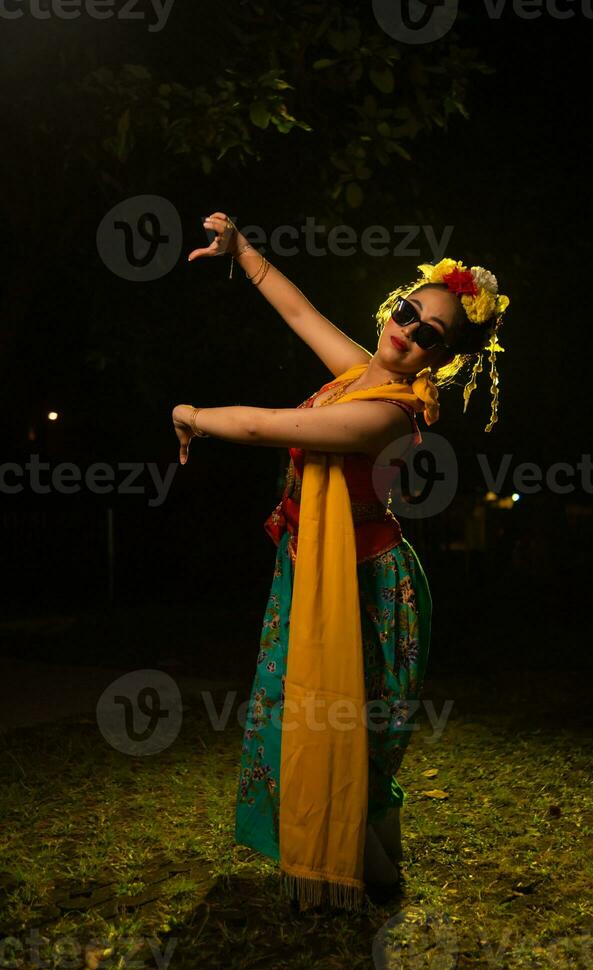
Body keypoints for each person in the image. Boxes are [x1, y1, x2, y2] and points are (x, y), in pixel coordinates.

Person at [173, 212, 510, 912]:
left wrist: (193, 416)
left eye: (429, 335)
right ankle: (376, 866)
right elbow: (300, 310)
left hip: (361, 581)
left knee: (339, 730)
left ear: (441, 357)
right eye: (410, 313)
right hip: (317, 568)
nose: (409, 331)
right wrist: (242, 250)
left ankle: (371, 873)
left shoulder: (388, 414)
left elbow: (269, 426)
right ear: (398, 304)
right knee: (335, 726)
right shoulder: (362, 372)